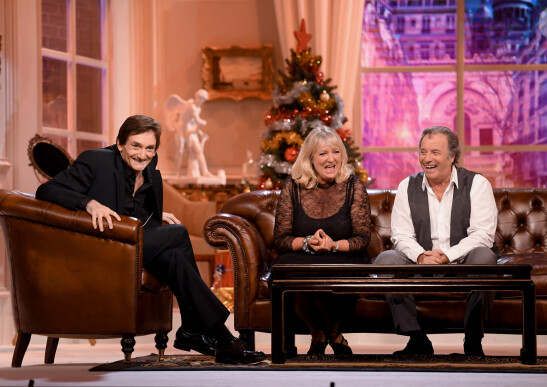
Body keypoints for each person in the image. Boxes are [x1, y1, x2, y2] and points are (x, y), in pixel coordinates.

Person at [35, 114, 265, 365]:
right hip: (100, 250)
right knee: (178, 234)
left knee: (175, 255)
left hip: (130, 247)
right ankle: (198, 331)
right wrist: (90, 204)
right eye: (136, 146)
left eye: (149, 148)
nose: (142, 154)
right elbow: (46, 190)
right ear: (120, 143)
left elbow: (138, 216)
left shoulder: (151, 173)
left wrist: (156, 215)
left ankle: (218, 338)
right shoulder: (96, 160)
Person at [374, 125, 498, 357]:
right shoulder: (406, 186)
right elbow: (401, 235)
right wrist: (421, 256)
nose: (427, 159)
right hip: (420, 263)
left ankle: (473, 341)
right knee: (386, 259)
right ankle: (417, 338)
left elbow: (483, 234)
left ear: (452, 156)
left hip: (463, 263)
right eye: (423, 152)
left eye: (435, 152)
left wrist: (447, 256)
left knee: (485, 256)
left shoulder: (478, 184)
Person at [272, 125, 371, 357]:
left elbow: (362, 239)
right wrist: (307, 242)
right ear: (310, 159)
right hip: (304, 255)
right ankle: (329, 334)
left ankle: (321, 338)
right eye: (323, 153)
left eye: (336, 152)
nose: (331, 159)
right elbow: (281, 239)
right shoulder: (293, 188)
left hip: (345, 257)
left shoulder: (353, 186)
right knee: (289, 269)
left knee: (322, 270)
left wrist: (333, 245)